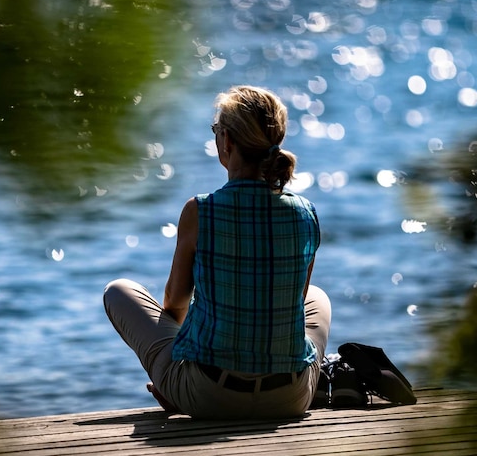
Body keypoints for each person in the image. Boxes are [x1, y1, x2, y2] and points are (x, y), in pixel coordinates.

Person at [103, 85, 331, 419]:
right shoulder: (305, 212)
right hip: (290, 397)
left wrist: (182, 366)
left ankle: (177, 387)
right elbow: (294, 302)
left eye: (216, 132)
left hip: (210, 395)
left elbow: (176, 304)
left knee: (119, 292)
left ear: (226, 141)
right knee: (317, 299)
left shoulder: (201, 211)